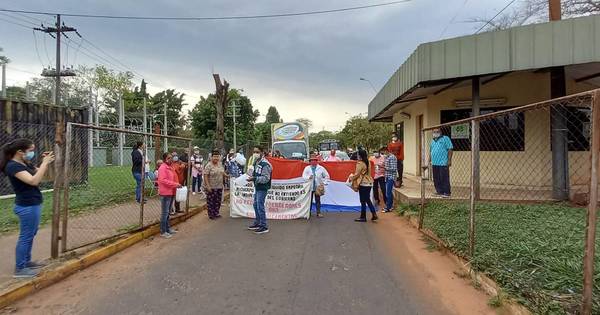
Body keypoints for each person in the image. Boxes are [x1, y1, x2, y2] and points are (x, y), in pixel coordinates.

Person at [1, 139, 55, 278]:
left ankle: (26, 262)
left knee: (30, 234)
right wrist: (44, 163)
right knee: (25, 237)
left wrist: (45, 162)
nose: (32, 153)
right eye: (30, 150)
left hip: (33, 203)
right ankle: (20, 269)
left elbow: (39, 174)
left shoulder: (23, 163)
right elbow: (33, 181)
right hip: (27, 206)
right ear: (20, 152)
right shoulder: (12, 166)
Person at [247, 146, 272, 234]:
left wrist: (254, 178)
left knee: (260, 206)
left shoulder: (265, 164)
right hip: (257, 187)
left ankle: (263, 226)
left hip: (262, 187)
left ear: (262, 152)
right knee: (255, 205)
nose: (255, 154)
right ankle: (258, 222)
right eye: (254, 152)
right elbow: (254, 172)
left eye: (257, 152)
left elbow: (266, 178)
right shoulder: (256, 162)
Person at [157, 152, 181, 239]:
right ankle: (163, 231)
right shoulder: (163, 168)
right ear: (164, 159)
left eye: (171, 157)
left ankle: (167, 229)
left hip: (171, 192)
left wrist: (176, 185)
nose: (171, 159)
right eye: (169, 158)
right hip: (165, 193)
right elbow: (163, 180)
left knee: (168, 213)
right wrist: (175, 184)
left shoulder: (170, 167)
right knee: (165, 213)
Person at [350, 148, 377, 222]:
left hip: (363, 183)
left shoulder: (360, 163)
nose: (357, 156)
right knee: (367, 199)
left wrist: (351, 178)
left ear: (360, 155)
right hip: (369, 182)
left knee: (363, 201)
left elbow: (357, 174)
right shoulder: (368, 162)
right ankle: (374, 213)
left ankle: (363, 217)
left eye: (358, 154)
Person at [429, 128, 453, 198]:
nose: (436, 133)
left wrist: (449, 160)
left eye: (437, 131)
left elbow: (450, 149)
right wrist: (429, 160)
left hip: (443, 162)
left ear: (441, 132)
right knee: (436, 178)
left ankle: (447, 192)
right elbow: (431, 151)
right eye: (434, 132)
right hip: (434, 163)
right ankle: (439, 191)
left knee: (444, 177)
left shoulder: (445, 138)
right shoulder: (433, 141)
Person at [203, 149, 226, 220]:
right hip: (211, 186)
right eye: (214, 156)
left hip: (219, 186)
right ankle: (211, 215)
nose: (216, 158)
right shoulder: (208, 165)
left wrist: (227, 175)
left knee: (218, 201)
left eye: (217, 156)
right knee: (211, 201)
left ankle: (216, 213)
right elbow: (205, 176)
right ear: (211, 157)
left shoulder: (220, 164)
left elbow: (222, 172)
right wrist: (208, 186)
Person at [382, 147, 398, 212]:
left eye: (383, 152)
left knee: (388, 193)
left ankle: (388, 207)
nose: (383, 154)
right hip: (387, 177)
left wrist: (385, 168)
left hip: (391, 177)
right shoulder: (387, 157)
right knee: (388, 192)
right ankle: (390, 206)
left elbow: (394, 169)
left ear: (386, 151)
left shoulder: (392, 157)